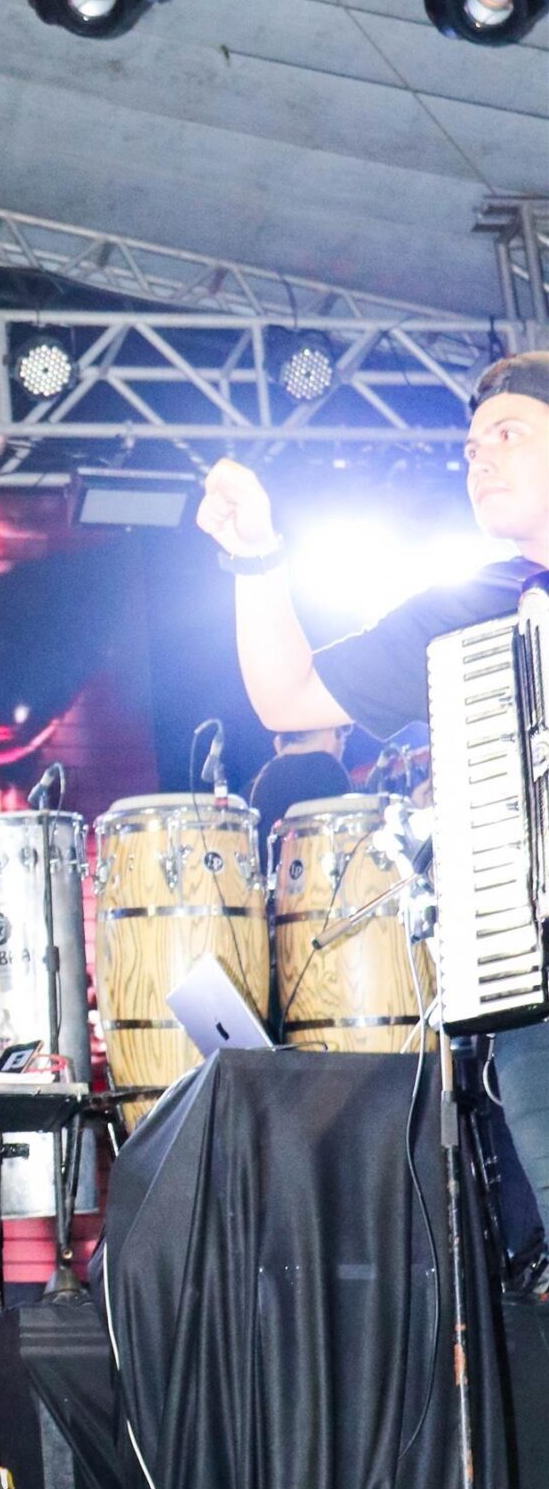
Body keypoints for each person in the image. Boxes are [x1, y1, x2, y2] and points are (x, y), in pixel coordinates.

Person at [197, 347, 549, 1242]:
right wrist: (255, 558)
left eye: (508, 434)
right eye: (469, 447)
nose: (479, 458)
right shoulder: (468, 609)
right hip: (537, 996)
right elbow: (287, 697)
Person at [246, 723, 353, 845]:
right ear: (331, 734)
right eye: (343, 742)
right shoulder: (329, 769)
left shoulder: (264, 776)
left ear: (278, 743)